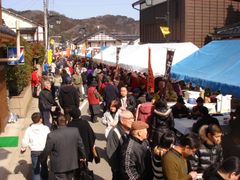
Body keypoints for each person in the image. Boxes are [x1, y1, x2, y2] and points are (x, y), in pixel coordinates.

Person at [40, 115, 86, 180]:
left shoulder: (52, 135)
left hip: (59, 166)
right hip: (71, 163)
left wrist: (42, 159)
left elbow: (47, 150)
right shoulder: (75, 131)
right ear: (66, 122)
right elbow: (81, 145)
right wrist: (83, 156)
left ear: (56, 122)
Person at [106, 110, 134, 180]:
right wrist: (116, 169)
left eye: (133, 118)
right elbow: (111, 153)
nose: (132, 120)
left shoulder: (130, 130)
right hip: (119, 169)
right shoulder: (114, 133)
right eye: (129, 119)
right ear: (122, 121)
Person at [21, 112, 50, 180]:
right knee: (44, 165)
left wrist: (23, 148)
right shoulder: (46, 128)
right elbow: (50, 139)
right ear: (41, 119)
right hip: (44, 151)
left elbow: (25, 141)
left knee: (35, 169)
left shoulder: (29, 129)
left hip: (34, 151)